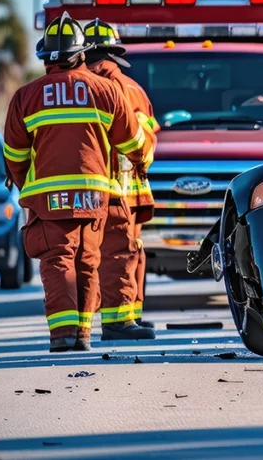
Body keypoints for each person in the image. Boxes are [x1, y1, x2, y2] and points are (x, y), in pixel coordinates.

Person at [3, 12, 152, 352]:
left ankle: (63, 335)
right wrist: (143, 161)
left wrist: (27, 186)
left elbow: (14, 154)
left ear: (45, 58)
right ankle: (81, 335)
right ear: (82, 53)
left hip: (49, 200)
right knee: (87, 261)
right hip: (95, 197)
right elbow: (132, 143)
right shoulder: (107, 91)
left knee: (58, 260)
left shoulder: (27, 96)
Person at [83, 18, 160, 338]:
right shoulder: (131, 89)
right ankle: (123, 320)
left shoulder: (79, 86)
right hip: (128, 189)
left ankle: (125, 318)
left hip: (91, 188)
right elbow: (146, 139)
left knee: (96, 254)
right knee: (126, 252)